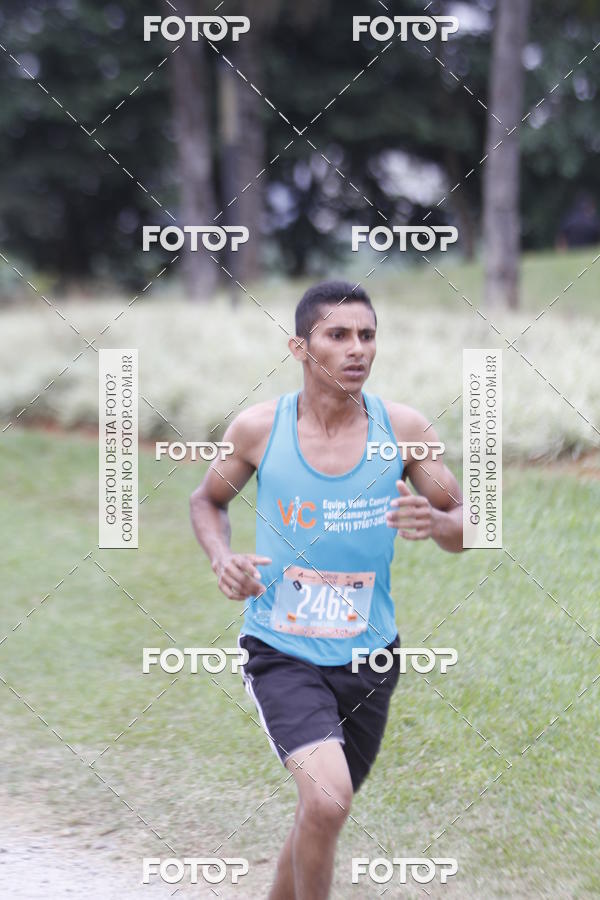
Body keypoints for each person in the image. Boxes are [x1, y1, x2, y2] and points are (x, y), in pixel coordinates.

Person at [190, 280, 465, 899]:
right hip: (281, 652)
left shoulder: (405, 428)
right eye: (338, 335)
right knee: (329, 800)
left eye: (367, 335)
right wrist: (221, 557)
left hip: (370, 658)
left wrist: (439, 523)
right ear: (299, 346)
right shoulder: (259, 430)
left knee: (321, 812)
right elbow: (206, 501)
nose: (357, 349)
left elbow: (469, 522)